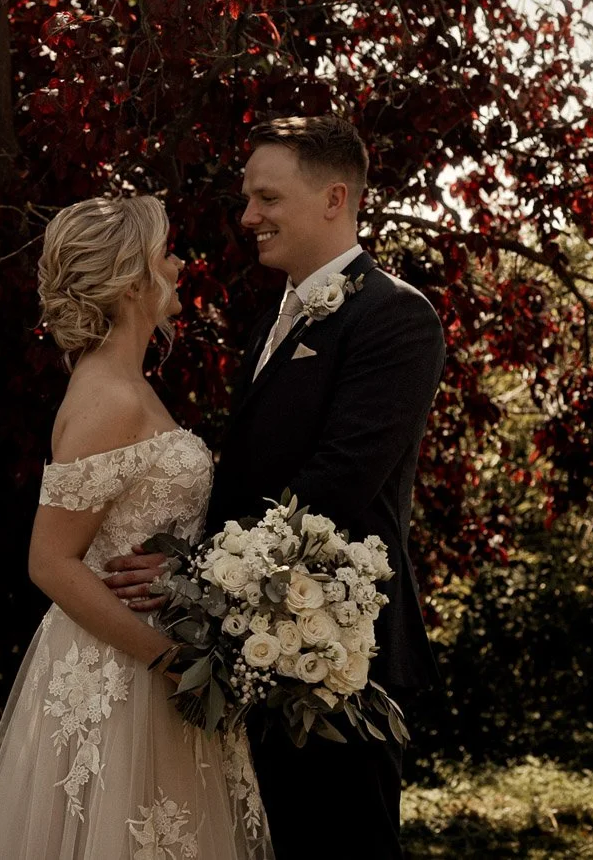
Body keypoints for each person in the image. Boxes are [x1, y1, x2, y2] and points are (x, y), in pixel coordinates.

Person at [104, 115, 447, 860]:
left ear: (333, 199)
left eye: (266, 198)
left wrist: (189, 577)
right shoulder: (271, 322)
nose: (247, 218)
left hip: (338, 666)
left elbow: (332, 488)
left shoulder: (396, 317)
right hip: (252, 655)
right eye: (247, 199)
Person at [0, 195, 273, 859]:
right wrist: (170, 660)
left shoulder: (126, 382)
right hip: (125, 671)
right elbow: (50, 561)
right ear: (133, 281)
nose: (181, 265)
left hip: (156, 659)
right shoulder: (108, 397)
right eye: (167, 255)